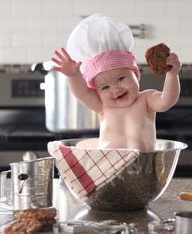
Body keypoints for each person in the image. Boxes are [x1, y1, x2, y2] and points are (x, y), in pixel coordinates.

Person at [51, 14, 181, 152]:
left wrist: (172, 75)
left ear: (136, 75)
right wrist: (73, 76)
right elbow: (81, 93)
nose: (116, 89)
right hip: (107, 166)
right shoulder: (102, 106)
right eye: (105, 87)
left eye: (121, 79)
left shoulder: (146, 100)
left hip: (142, 165)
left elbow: (167, 100)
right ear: (96, 91)